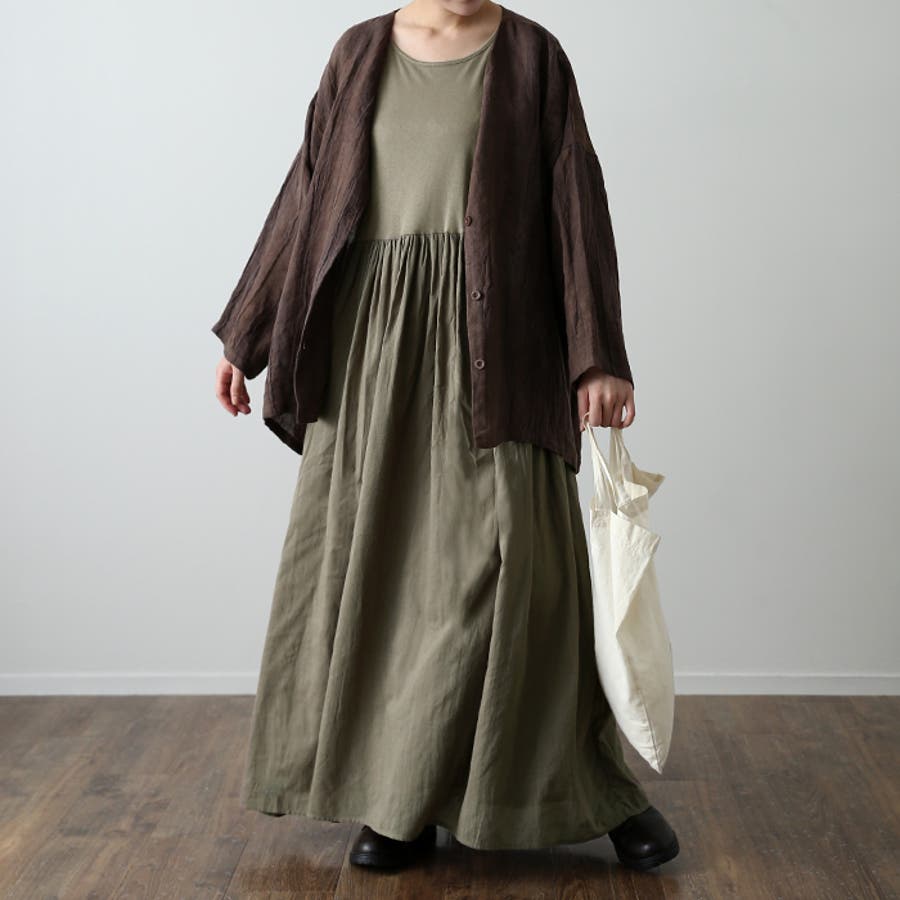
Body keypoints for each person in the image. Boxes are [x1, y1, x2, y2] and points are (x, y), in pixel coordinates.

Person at [212, 0, 679, 873]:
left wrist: (597, 359)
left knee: (517, 575)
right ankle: (399, 801)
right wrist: (249, 335)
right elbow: (306, 197)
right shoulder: (357, 54)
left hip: (498, 346)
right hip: (373, 352)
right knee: (382, 576)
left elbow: (576, 209)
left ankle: (590, 792)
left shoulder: (534, 59)